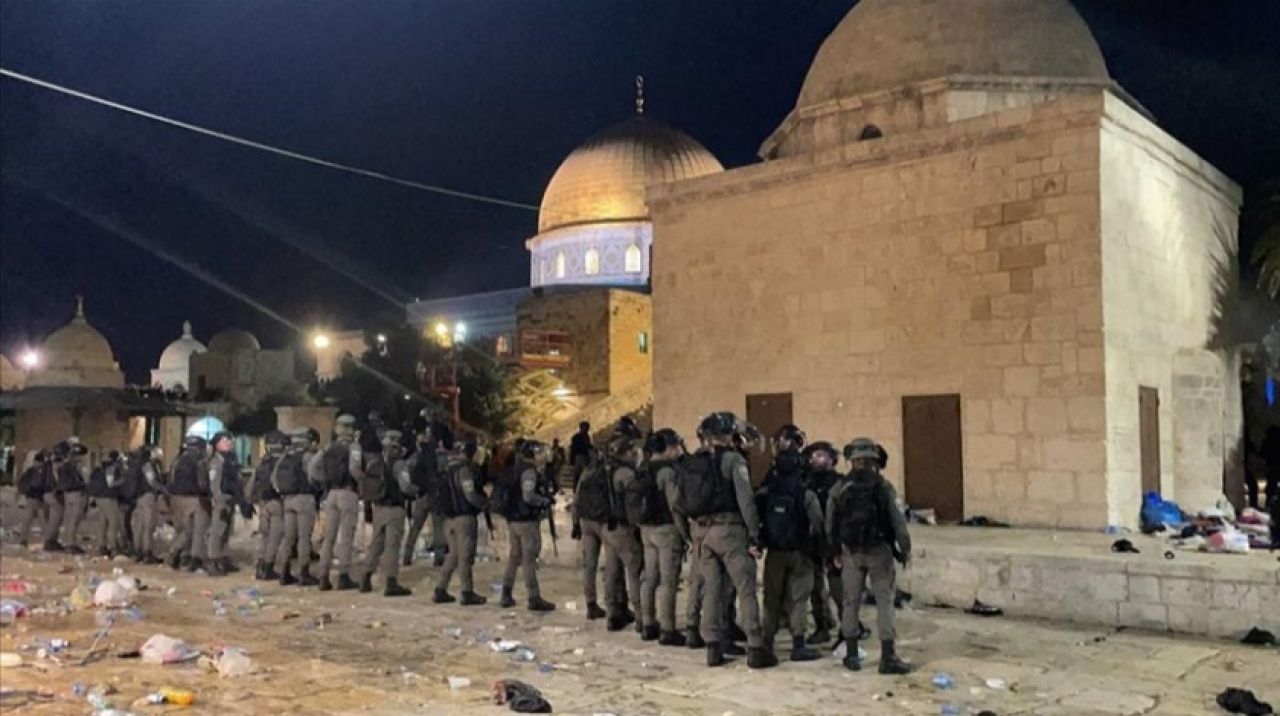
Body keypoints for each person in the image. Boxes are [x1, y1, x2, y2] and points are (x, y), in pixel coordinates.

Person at [682, 412, 777, 669]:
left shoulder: (694, 461)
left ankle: (713, 647)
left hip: (702, 533)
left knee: (712, 589)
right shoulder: (733, 460)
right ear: (728, 434)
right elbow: (745, 500)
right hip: (730, 531)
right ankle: (756, 647)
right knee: (745, 588)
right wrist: (755, 533)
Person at [828, 438, 913, 674]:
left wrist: (834, 551)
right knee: (884, 601)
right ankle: (887, 657)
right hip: (879, 552)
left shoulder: (840, 487)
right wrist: (904, 550)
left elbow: (830, 522)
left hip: (851, 553)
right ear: (875, 461)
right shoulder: (883, 486)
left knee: (850, 601)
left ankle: (852, 654)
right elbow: (898, 522)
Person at [757, 429, 824, 662]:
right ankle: (798, 645)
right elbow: (818, 522)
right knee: (799, 599)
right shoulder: (806, 494)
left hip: (775, 552)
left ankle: (767, 643)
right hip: (800, 552)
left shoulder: (766, 492)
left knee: (771, 598)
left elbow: (757, 518)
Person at [630, 428, 687, 645]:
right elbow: (675, 506)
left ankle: (647, 624)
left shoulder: (642, 468)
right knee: (668, 581)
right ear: (668, 448)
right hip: (666, 529)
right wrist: (685, 533)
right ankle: (667, 628)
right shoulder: (667, 472)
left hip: (646, 530)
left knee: (649, 578)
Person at [432, 423, 489, 605]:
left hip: (448, 519)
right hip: (464, 518)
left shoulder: (447, 469)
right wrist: (483, 504)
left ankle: (440, 588)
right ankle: (466, 591)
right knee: (465, 557)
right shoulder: (464, 470)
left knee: (453, 555)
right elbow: (469, 494)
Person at [497, 440, 557, 611]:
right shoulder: (529, 471)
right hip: (526, 520)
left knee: (514, 557)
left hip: (513, 520)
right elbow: (528, 496)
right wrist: (544, 501)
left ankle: (506, 592)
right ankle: (534, 597)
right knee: (528, 559)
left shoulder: (515, 468)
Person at [357, 429, 414, 597]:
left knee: (376, 545)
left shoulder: (376, 462)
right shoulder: (399, 464)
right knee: (392, 546)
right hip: (394, 509)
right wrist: (416, 491)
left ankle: (365, 578)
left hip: (378, 508)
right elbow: (406, 486)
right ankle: (391, 582)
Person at [800, 441, 842, 644]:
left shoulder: (839, 482)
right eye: (812, 456)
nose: (814, 459)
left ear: (832, 459)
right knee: (816, 587)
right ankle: (822, 625)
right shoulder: (807, 481)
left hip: (835, 541)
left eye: (820, 455)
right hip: (814, 540)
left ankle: (849, 628)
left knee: (839, 588)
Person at [572, 437, 616, 623]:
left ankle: (591, 604)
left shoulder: (587, 472)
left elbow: (576, 499)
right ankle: (612, 605)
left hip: (586, 522)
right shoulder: (609, 472)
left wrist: (575, 523)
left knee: (589, 565)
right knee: (611, 564)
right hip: (604, 522)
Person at [317, 414, 362, 591]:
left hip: (331, 494)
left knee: (328, 538)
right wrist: (362, 481)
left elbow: (313, 468)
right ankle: (343, 576)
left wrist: (325, 481)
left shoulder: (328, 447)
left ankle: (323, 576)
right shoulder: (354, 447)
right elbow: (354, 468)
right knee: (346, 537)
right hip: (347, 493)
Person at [273, 428, 320, 586]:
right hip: (304, 498)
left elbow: (274, 479)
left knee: (288, 537)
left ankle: (284, 572)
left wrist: (283, 493)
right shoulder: (307, 456)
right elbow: (314, 476)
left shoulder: (285, 456)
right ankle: (304, 573)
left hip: (287, 499)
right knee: (304, 538)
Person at [166, 435, 211, 571]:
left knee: (182, 530)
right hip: (194, 499)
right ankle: (193, 558)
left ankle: (180, 555)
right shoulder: (200, 460)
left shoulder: (177, 460)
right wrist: (207, 496)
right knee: (197, 530)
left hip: (175, 499)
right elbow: (202, 483)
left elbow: (170, 480)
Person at [247, 431, 287, 580]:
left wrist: (250, 501)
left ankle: (260, 566)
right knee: (275, 537)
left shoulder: (262, 463)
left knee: (265, 536)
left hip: (263, 503)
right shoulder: (282, 462)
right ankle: (268, 568)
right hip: (277, 502)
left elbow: (251, 485)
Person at [205, 431, 245, 576]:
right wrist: (218, 500)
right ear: (217, 444)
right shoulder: (216, 461)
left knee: (226, 531)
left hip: (229, 498)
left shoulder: (230, 459)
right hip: (221, 500)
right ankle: (212, 561)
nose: (229, 442)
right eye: (224, 440)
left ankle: (222, 559)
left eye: (229, 440)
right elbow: (214, 483)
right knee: (217, 531)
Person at [52, 437, 91, 554]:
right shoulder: (75, 466)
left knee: (69, 519)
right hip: (77, 493)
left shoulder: (62, 466)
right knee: (74, 520)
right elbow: (83, 480)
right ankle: (71, 544)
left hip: (67, 494)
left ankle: (67, 541)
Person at [129, 446, 166, 565]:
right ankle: (147, 552)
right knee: (148, 526)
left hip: (139, 497)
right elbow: (151, 481)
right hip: (147, 497)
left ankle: (138, 551)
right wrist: (164, 489)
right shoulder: (147, 465)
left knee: (139, 526)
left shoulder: (136, 464)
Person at [88, 450, 128, 558]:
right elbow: (110, 483)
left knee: (103, 523)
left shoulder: (101, 467)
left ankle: (102, 546)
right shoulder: (111, 467)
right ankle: (113, 547)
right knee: (113, 522)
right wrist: (122, 480)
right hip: (108, 498)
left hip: (100, 498)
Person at [15, 450, 51, 548]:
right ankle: (24, 539)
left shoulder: (42, 471)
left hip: (38, 499)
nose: (38, 464)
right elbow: (22, 484)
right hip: (33, 498)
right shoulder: (32, 471)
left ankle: (46, 540)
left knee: (40, 521)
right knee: (29, 520)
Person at [569, 421, 593, 489]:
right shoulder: (578, 437)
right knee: (581, 473)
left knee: (582, 474)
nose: (587, 429)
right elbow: (573, 448)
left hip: (583, 456)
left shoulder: (585, 436)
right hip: (580, 457)